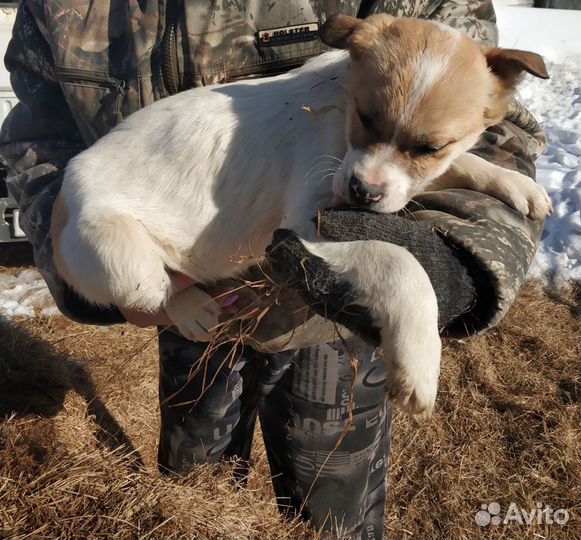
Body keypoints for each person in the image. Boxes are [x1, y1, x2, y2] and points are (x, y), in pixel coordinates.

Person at [0, 1, 547, 538]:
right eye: (370, 124)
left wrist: (482, 190)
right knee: (198, 487)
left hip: (325, 325)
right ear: (354, 58)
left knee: (330, 512)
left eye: (426, 150)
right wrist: (157, 297)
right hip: (133, 231)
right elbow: (310, 227)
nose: (372, 175)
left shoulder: (380, 85)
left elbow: (446, 125)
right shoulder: (341, 91)